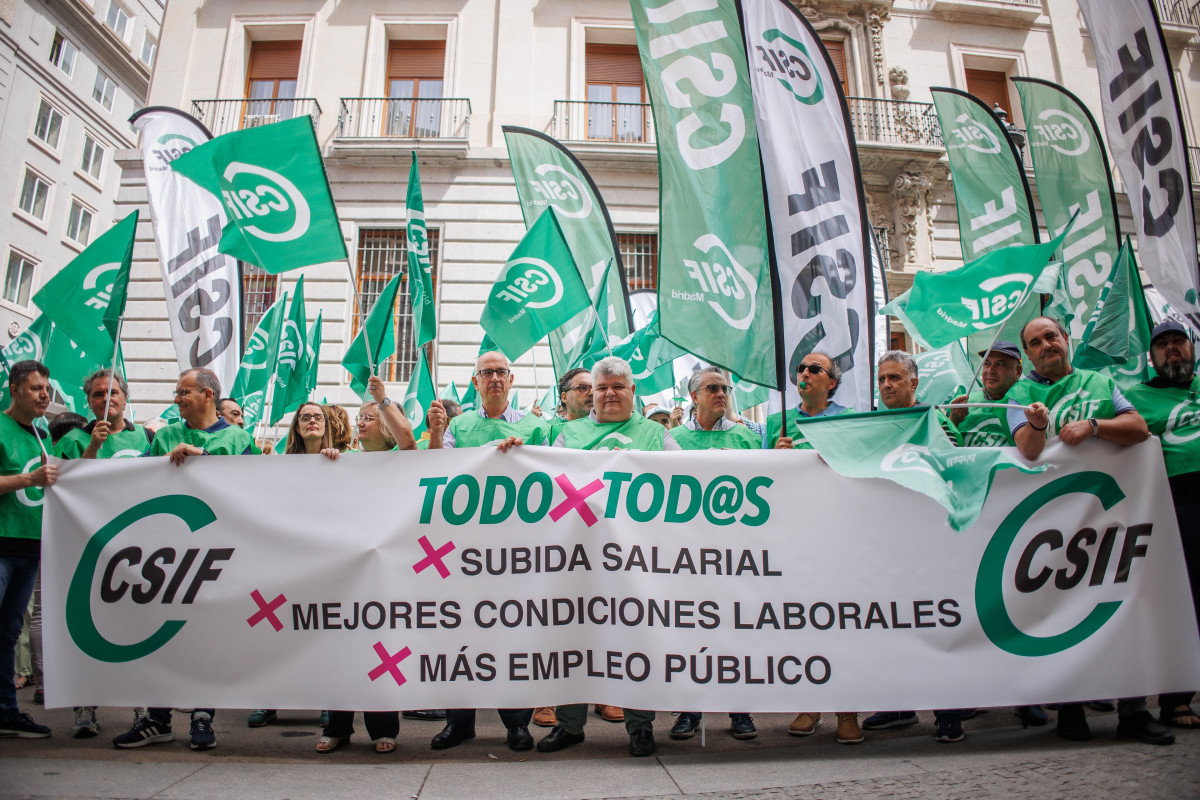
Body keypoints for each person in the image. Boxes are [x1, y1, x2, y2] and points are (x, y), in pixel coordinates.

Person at [1004, 316, 1166, 743]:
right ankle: (1071, 711)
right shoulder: (1020, 393)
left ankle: (1133, 710)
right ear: (1028, 355)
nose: (1045, 346)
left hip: (1111, 518)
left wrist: (1095, 427)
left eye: (1050, 337)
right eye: (1035, 343)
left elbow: (1138, 428)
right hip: (1055, 524)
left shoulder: (1100, 383)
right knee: (1067, 614)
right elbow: (1028, 449)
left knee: (1119, 608)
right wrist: (1039, 425)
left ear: (1065, 339)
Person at [540, 356, 678, 758]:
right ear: (591, 394)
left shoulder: (656, 434)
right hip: (579, 558)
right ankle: (570, 726)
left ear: (632, 391)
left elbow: (688, 480)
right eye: (601, 387)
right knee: (573, 637)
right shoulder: (569, 434)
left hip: (637, 559)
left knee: (635, 638)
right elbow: (546, 483)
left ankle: (640, 726)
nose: (609, 393)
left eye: (618, 386)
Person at [113, 368, 255, 752]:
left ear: (207, 395)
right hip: (166, 555)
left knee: (204, 636)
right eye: (177, 393)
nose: (176, 398)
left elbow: (257, 487)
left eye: (183, 392)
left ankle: (202, 715)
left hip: (215, 555)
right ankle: (157, 719)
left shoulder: (239, 438)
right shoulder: (164, 436)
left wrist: (204, 458)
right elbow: (139, 481)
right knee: (161, 635)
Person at [424, 351, 538, 752]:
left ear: (512, 379)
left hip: (518, 551)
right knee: (461, 632)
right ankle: (460, 722)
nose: (493, 378)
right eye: (486, 373)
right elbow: (436, 470)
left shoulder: (535, 427)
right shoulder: (459, 424)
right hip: (466, 551)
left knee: (513, 635)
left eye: (500, 372)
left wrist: (528, 454)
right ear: (475, 382)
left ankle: (517, 723)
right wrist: (437, 432)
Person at [859, 351, 968, 743]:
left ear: (913, 384)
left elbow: (954, 463)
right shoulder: (871, 422)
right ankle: (899, 705)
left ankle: (948, 713)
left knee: (936, 623)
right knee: (891, 622)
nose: (886, 385)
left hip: (929, 540)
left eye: (894, 378)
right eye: (882, 379)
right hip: (886, 541)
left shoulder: (935, 420)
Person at [54, 370, 154, 737]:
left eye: (113, 393)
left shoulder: (144, 436)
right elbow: (68, 485)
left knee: (138, 625)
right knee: (85, 624)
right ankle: (85, 706)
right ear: (88, 402)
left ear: (125, 398)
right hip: (87, 545)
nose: (106, 399)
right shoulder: (72, 441)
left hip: (138, 547)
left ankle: (143, 706)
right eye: (97, 395)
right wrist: (92, 447)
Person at [667, 367, 758, 741]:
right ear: (694, 397)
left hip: (735, 552)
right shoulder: (670, 439)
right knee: (689, 631)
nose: (721, 394)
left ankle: (740, 711)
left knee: (735, 629)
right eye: (712, 388)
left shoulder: (749, 438)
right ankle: (690, 710)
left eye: (725, 388)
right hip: (685, 553)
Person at [1120, 319, 1200, 733]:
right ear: (1151, 357)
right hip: (1178, 504)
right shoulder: (1137, 399)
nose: (1172, 350)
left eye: (1179, 342)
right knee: (1185, 603)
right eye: (1163, 345)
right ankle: (1175, 700)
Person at [0, 361, 57, 739]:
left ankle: (6, 711)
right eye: (36, 388)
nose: (44, 396)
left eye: (46, 389)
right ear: (14, 389)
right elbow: (31, 480)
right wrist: (27, 479)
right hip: (2, 544)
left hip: (28, 547)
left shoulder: (43, 435)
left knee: (6, 633)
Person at [769, 353, 854, 451]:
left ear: (832, 383)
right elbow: (760, 464)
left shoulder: (849, 419)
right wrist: (774, 456)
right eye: (801, 368)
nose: (805, 374)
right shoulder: (775, 422)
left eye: (814, 369)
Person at [947, 342, 1023, 447]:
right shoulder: (961, 404)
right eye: (987, 364)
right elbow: (941, 448)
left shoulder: (1028, 404)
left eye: (1000, 364)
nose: (990, 370)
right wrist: (953, 421)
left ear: (1018, 371)